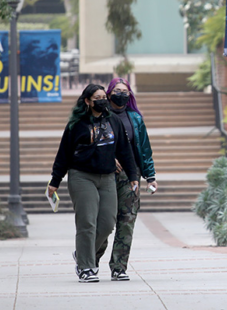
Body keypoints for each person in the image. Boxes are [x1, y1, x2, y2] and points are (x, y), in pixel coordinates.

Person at [47, 83, 138, 283]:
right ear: (87, 101)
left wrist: (133, 177)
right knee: (87, 222)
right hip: (82, 176)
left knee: (107, 223)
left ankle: (81, 253)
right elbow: (64, 153)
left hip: (107, 177)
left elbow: (124, 150)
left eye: (103, 97)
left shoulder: (113, 120)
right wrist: (55, 180)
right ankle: (86, 267)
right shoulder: (77, 123)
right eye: (97, 98)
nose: (102, 101)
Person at [94, 77, 158, 281]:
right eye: (117, 90)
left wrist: (150, 175)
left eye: (125, 91)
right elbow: (93, 143)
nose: (121, 94)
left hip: (131, 175)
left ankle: (119, 267)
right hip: (105, 174)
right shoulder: (100, 116)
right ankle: (89, 260)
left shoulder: (135, 119)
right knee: (105, 220)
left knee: (127, 220)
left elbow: (145, 149)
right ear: (110, 92)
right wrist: (109, 158)